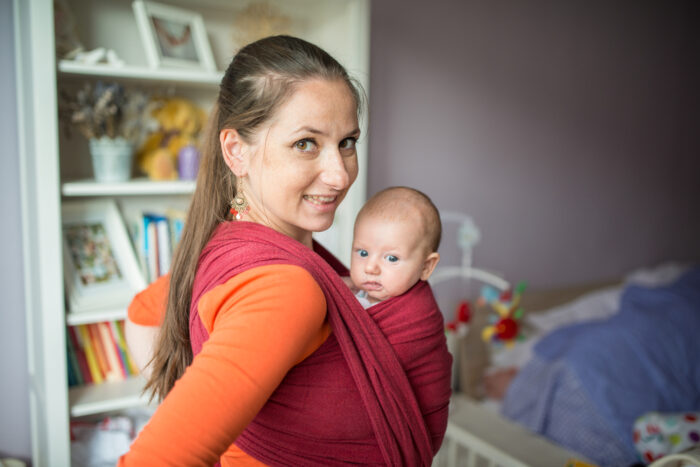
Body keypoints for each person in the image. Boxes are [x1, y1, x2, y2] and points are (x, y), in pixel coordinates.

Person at [120, 35, 452, 466]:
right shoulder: (284, 288)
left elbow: (142, 312)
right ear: (236, 151)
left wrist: (229, 416)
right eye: (305, 143)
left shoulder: (232, 247)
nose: (339, 175)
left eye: (347, 141)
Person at [347, 186, 441, 308]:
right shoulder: (349, 292)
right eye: (363, 253)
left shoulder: (415, 314)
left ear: (426, 266)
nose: (370, 268)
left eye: (392, 258)